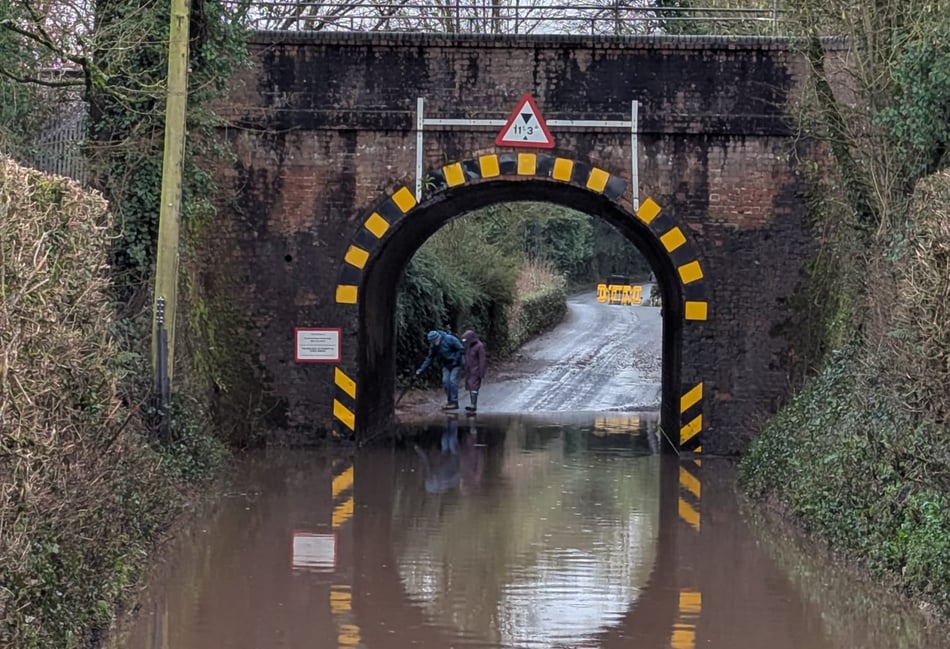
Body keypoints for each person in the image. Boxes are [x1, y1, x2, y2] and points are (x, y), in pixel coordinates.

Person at [416, 329, 464, 409]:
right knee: (445, 382)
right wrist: (421, 369)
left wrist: (456, 360)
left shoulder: (449, 339)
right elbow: (429, 358)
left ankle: (454, 402)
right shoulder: (434, 346)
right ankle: (450, 401)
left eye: (435, 341)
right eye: (432, 342)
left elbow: (461, 348)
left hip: (456, 364)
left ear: (438, 338)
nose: (434, 343)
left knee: (452, 381)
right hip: (446, 365)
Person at [460, 329, 486, 415]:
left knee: (474, 386)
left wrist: (481, 372)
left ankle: (473, 404)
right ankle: (472, 403)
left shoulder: (479, 346)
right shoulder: (469, 346)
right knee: (470, 386)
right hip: (469, 370)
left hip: (476, 370)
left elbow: (482, 360)